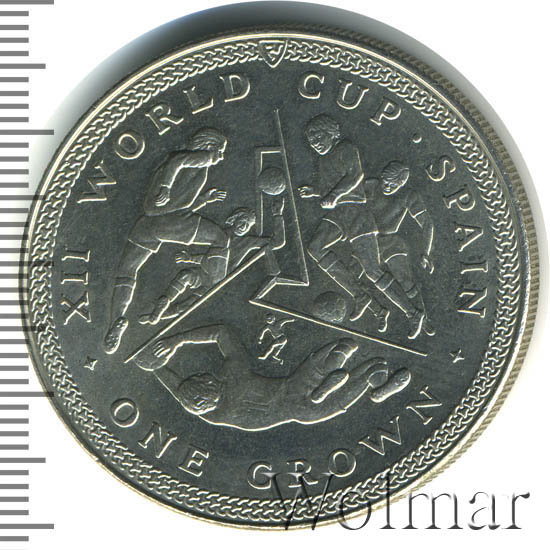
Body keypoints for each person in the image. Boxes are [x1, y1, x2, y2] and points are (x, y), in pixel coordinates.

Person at [103, 128, 228, 354]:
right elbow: (176, 161)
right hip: (172, 222)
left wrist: (203, 200)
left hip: (148, 224)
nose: (221, 156)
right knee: (221, 238)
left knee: (127, 270)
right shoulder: (202, 157)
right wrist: (166, 187)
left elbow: (181, 201)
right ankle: (213, 286)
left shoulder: (192, 165)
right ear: (210, 145)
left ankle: (116, 319)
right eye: (220, 150)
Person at [299, 114, 425, 339]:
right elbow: (332, 186)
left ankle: (412, 312)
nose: (315, 143)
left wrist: (333, 195)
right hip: (339, 215)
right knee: (315, 248)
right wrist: (316, 192)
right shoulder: (323, 160)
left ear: (332, 133)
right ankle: (362, 297)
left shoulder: (346, 148)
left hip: (357, 214)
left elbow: (355, 176)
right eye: (311, 140)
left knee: (372, 270)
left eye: (318, 137)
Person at [149, 324, 385, 431]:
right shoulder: (234, 376)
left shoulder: (213, 415)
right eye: (203, 375)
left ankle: (370, 378)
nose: (207, 373)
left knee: (354, 384)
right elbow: (222, 332)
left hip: (300, 412)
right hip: (293, 389)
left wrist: (155, 368)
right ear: (208, 381)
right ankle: (352, 367)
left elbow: (179, 391)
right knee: (343, 347)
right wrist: (177, 339)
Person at [138, 197, 286, 325]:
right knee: (185, 277)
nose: (244, 227)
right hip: (206, 274)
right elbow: (210, 258)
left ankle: (159, 313)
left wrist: (278, 214)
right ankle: (158, 313)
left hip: (219, 278)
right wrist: (190, 259)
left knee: (221, 243)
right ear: (234, 219)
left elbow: (278, 242)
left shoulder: (246, 241)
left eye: (248, 225)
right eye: (243, 221)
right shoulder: (219, 234)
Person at [365, 160, 435, 336]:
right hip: (365, 241)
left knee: (405, 280)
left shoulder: (409, 196)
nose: (387, 187)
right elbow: (347, 195)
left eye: (393, 185)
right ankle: (409, 313)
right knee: (367, 278)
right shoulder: (370, 186)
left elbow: (427, 223)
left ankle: (423, 318)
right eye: (385, 182)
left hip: (390, 242)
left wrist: (426, 252)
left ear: (401, 184)